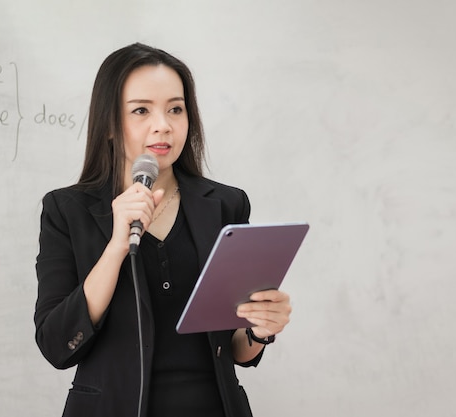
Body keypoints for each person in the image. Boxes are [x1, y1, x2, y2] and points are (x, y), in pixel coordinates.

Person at [34, 43, 292, 417]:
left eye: (175, 109)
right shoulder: (66, 210)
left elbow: (236, 349)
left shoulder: (226, 204)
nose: (163, 125)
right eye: (141, 110)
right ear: (109, 124)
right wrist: (116, 247)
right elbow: (57, 345)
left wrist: (260, 328)